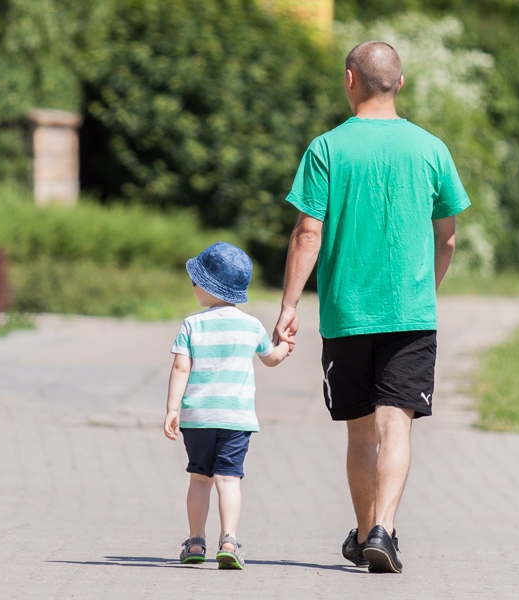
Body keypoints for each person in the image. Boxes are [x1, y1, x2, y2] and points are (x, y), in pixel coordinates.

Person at [273, 41, 470, 574]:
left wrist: (289, 305)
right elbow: (448, 238)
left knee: (360, 429)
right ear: (400, 84)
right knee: (396, 425)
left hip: (347, 313)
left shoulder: (326, 148)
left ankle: (365, 536)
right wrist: (425, 289)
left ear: (349, 79)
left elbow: (307, 233)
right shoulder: (431, 149)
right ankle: (383, 530)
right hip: (411, 314)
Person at [165, 241, 290, 570]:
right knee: (229, 480)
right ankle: (229, 541)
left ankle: (195, 542)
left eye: (195, 281)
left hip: (198, 418)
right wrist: (285, 344)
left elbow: (180, 368)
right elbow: (272, 358)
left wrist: (172, 409)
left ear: (207, 287)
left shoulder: (192, 324)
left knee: (199, 479)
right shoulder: (252, 325)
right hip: (236, 418)